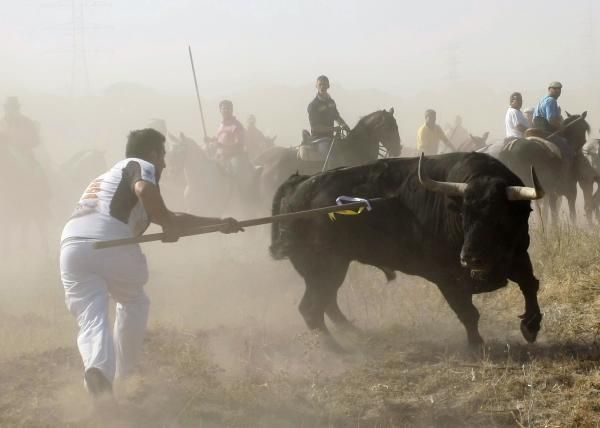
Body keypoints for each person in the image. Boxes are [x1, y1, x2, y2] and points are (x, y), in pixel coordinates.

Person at [59, 128, 242, 399]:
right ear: (152, 153)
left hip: (71, 247)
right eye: (163, 155)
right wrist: (168, 225)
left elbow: (172, 217)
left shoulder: (106, 180)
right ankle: (126, 374)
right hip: (111, 241)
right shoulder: (139, 166)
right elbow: (145, 190)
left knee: (91, 317)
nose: (165, 163)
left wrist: (219, 224)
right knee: (133, 301)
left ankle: (98, 373)